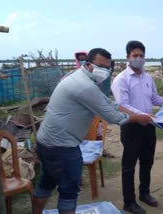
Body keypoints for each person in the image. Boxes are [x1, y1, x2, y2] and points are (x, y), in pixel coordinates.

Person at [33, 48, 152, 214]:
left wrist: (136, 113)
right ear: (88, 64)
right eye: (100, 66)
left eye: (107, 68)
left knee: (46, 182)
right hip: (62, 147)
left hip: (46, 142)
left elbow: (109, 103)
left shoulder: (77, 77)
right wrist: (138, 118)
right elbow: (112, 116)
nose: (104, 71)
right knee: (69, 192)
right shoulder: (84, 87)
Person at [111, 41, 163, 214]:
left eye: (141, 55)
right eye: (134, 55)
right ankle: (129, 202)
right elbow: (122, 105)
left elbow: (155, 98)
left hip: (149, 126)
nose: (138, 58)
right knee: (129, 166)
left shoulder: (147, 77)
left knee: (147, 161)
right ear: (128, 57)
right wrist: (143, 116)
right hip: (132, 126)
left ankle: (145, 193)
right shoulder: (121, 79)